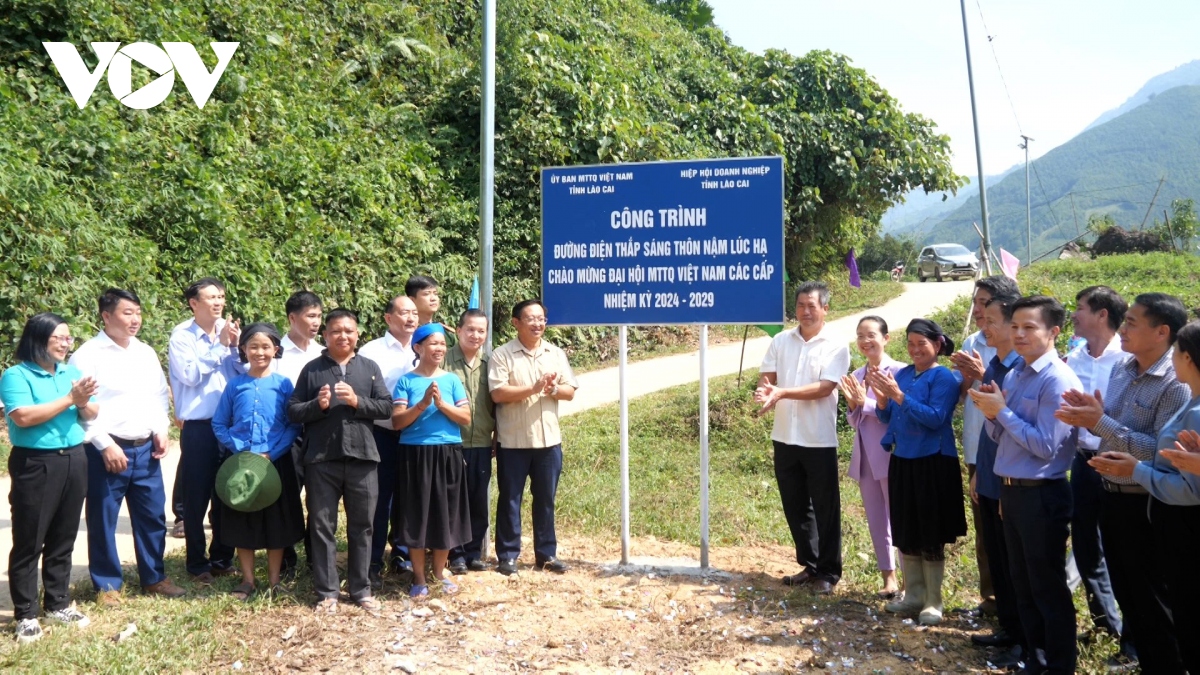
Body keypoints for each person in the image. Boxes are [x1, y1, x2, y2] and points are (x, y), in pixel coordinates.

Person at [1059, 293, 1191, 674]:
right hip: (1110, 492)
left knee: (1154, 600)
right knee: (1129, 593)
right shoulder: (1122, 369)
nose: (1124, 329)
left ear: (1162, 332)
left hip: (1147, 502)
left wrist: (1099, 422)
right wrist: (1094, 416)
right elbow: (1111, 430)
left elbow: (1163, 452)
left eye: (1132, 322)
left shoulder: (1175, 382)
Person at [970, 295, 1082, 674]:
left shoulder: (1058, 379)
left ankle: (1059, 665)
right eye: (1014, 326)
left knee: (1046, 587)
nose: (1019, 334)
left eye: (1029, 327)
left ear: (1053, 332)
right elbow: (1004, 436)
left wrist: (1000, 411)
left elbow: (1045, 445)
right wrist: (992, 412)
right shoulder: (1017, 374)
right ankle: (1036, 660)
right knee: (1023, 586)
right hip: (1013, 489)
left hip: (1042, 493)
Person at [1092, 320, 1200, 674]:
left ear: (1185, 356)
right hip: (1159, 516)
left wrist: (1135, 470)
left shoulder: (1192, 409)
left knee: (1172, 612)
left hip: (1182, 526)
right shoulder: (1190, 404)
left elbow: (1187, 489)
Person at [68, 289, 186, 607]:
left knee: (151, 516)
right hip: (105, 451)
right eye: (127, 313)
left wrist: (160, 429)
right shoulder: (87, 355)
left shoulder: (144, 352)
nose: (135, 320)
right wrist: (105, 445)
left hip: (145, 448)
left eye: (137, 312)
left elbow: (159, 394)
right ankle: (107, 585)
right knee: (103, 518)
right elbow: (79, 407)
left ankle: (154, 577)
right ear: (106, 316)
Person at [288, 309, 395, 614]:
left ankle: (361, 589)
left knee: (363, 526)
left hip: (363, 457)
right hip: (322, 458)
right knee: (322, 525)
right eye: (336, 331)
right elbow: (294, 410)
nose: (343, 336)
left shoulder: (369, 368)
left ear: (357, 334)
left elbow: (386, 407)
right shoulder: (312, 369)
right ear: (325, 335)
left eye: (349, 331)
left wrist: (357, 402)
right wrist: (317, 405)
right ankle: (327, 592)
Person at [2, 313, 98, 643]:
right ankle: (26, 614)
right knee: (30, 539)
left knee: (63, 535)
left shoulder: (71, 373)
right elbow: (24, 416)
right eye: (58, 337)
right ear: (37, 338)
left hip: (74, 458)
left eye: (68, 338)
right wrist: (71, 399)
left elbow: (93, 411)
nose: (64, 343)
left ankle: (57, 603)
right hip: (35, 463)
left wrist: (83, 402)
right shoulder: (16, 375)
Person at [755, 281, 851, 595]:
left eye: (812, 306)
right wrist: (765, 391)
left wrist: (782, 392)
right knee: (795, 505)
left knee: (825, 507)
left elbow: (825, 387)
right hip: (784, 436)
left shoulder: (836, 345)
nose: (806, 312)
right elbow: (767, 378)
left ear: (825, 309)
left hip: (818, 438)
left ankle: (828, 572)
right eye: (800, 306)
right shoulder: (781, 341)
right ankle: (809, 566)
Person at [870, 318, 963, 626]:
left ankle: (933, 600)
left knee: (930, 531)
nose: (914, 350)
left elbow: (936, 418)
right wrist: (883, 399)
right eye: (910, 344)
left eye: (921, 344)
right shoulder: (905, 374)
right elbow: (888, 415)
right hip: (903, 458)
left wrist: (898, 396)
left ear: (937, 345)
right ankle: (913, 595)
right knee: (906, 526)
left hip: (932, 461)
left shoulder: (944, 378)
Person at [212, 323, 305, 600]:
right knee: (243, 519)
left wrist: (271, 453)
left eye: (266, 347)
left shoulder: (284, 385)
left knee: (276, 523)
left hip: (274, 462)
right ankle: (248, 580)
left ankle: (275, 580)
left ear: (276, 350)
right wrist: (240, 449)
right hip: (241, 464)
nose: (259, 352)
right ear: (243, 350)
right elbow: (219, 424)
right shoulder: (235, 385)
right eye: (253, 346)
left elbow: (292, 426)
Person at [1062, 286, 1129, 656]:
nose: (1074, 315)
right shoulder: (1075, 358)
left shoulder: (1126, 362)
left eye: (1081, 308)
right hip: (1083, 462)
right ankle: (1107, 625)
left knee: (1122, 551)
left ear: (1102, 315)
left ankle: (1134, 638)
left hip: (1120, 464)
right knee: (1087, 548)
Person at [489, 299, 578, 576]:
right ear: (516, 323)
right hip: (513, 441)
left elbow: (570, 390)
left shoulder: (555, 353)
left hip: (548, 441)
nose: (538, 324)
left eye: (541, 319)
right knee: (510, 499)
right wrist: (533, 388)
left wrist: (552, 389)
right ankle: (508, 555)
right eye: (531, 318)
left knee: (546, 499)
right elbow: (498, 393)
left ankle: (546, 554)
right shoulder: (502, 355)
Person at [949, 274, 1019, 616]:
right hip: (979, 447)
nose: (978, 311)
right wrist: (965, 378)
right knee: (986, 531)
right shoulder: (971, 341)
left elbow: (1012, 403)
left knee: (1013, 533)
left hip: (1014, 452)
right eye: (976, 303)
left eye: (985, 304)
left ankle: (1015, 608)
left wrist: (983, 372)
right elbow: (964, 397)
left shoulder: (1022, 350)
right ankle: (992, 600)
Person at [966, 293, 1027, 668]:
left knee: (1017, 564)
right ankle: (1007, 627)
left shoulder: (1021, 371)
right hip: (990, 478)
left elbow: (1018, 436)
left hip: (1012, 483)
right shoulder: (994, 368)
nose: (983, 327)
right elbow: (991, 433)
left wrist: (1001, 483)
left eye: (990, 320)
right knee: (999, 559)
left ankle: (1023, 640)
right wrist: (981, 477)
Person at [167, 277, 242, 583]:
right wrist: (222, 346)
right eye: (211, 297)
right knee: (196, 497)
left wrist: (235, 346)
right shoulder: (182, 335)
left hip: (231, 425)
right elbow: (189, 375)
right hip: (199, 426)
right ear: (194, 303)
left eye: (221, 297)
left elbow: (242, 372)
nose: (218, 302)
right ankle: (197, 563)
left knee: (229, 494)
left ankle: (223, 558)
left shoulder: (229, 330)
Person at [392, 323, 473, 597]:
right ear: (418, 347)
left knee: (445, 513)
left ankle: (439, 573)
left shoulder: (451, 380)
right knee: (416, 515)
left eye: (442, 344)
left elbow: (466, 418)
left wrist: (442, 405)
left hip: (448, 452)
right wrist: (423, 403)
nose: (439, 348)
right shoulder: (406, 381)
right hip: (414, 454)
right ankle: (418, 578)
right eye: (432, 343)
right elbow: (397, 421)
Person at [838, 316, 903, 598]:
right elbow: (856, 421)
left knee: (899, 518)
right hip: (865, 456)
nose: (866, 341)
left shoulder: (900, 371)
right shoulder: (855, 375)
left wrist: (865, 403)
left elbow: (897, 415)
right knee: (876, 519)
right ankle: (888, 577)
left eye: (871, 335)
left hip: (891, 454)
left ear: (886, 338)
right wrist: (854, 403)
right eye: (860, 336)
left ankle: (911, 577)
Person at [357, 294, 419, 587]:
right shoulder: (372, 351)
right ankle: (372, 562)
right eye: (404, 313)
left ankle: (403, 555)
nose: (411, 318)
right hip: (381, 434)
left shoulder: (423, 346)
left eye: (414, 313)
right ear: (388, 318)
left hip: (416, 437)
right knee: (378, 500)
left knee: (410, 498)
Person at [276, 290, 324, 580]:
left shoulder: (323, 352)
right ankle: (286, 559)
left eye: (318, 316)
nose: (315, 322)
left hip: (318, 433)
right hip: (287, 435)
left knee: (319, 500)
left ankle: (315, 558)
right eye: (310, 316)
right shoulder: (275, 352)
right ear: (292, 318)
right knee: (287, 498)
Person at [445, 309, 497, 574]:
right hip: (452, 443)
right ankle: (454, 554)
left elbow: (497, 405)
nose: (476, 335)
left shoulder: (491, 364)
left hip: (482, 444)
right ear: (458, 330)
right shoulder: (444, 361)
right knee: (454, 500)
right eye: (470, 329)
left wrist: (496, 436)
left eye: (481, 331)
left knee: (478, 501)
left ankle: (474, 552)